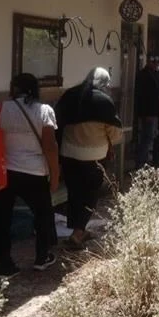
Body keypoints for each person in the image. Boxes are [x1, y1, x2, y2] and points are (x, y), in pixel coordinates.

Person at [0, 73, 60, 278]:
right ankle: (42, 257)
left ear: (13, 88)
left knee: (0, 218)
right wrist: (55, 174)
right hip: (34, 171)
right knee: (43, 214)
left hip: (3, 172)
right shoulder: (44, 111)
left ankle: (5, 265)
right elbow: (50, 146)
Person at [55, 67, 122, 250]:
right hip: (95, 156)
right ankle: (78, 232)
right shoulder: (104, 101)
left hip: (68, 153)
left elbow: (56, 123)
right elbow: (114, 133)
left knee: (74, 191)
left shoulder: (70, 95)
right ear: (104, 83)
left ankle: (77, 229)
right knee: (91, 193)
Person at [133, 57, 159, 170]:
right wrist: (150, 114)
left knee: (148, 138)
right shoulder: (147, 76)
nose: (157, 64)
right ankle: (141, 164)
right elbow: (148, 97)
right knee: (147, 139)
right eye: (155, 62)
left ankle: (143, 162)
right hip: (149, 113)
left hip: (149, 113)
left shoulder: (149, 75)